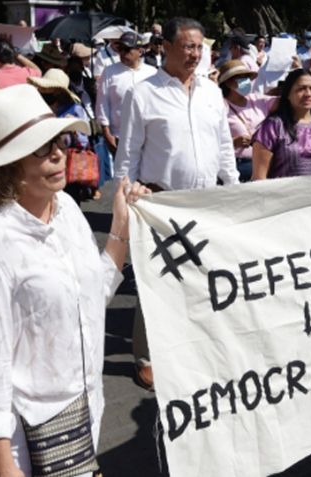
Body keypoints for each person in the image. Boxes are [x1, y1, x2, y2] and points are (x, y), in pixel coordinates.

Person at [0, 84, 148, 477]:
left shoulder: (67, 210)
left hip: (86, 408)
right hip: (31, 428)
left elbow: (94, 295)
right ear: (7, 165)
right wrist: (0, 459)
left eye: (58, 140)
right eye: (40, 148)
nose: (58, 152)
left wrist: (122, 223)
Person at [116, 17, 238, 389]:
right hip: (160, 202)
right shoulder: (144, 93)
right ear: (165, 47)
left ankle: (194, 350)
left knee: (202, 278)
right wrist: (125, 200)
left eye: (199, 47)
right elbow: (128, 153)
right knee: (158, 280)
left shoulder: (211, 92)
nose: (194, 54)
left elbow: (223, 146)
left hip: (206, 202)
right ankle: (148, 356)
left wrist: (235, 187)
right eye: (187, 46)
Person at [252, 69, 311, 179]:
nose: (308, 94)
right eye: (301, 89)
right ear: (288, 93)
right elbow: (259, 178)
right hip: (283, 195)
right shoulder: (272, 127)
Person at [28, 69, 97, 202]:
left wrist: (69, 129)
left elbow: (83, 141)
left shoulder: (73, 110)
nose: (42, 91)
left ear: (58, 92)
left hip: (67, 165)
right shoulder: (37, 107)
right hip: (43, 164)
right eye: (42, 89)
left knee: (68, 202)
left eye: (47, 89)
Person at [96, 31, 157, 156]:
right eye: (120, 49)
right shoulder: (109, 72)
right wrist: (107, 133)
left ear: (140, 51)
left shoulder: (152, 73)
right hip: (119, 137)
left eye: (127, 49)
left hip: (148, 138)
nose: (122, 53)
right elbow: (102, 104)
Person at [218, 60, 277, 182]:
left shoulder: (257, 100)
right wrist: (234, 143)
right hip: (239, 166)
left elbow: (287, 101)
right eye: (239, 78)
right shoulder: (220, 106)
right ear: (228, 83)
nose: (245, 81)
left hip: (265, 164)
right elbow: (212, 141)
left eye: (246, 77)